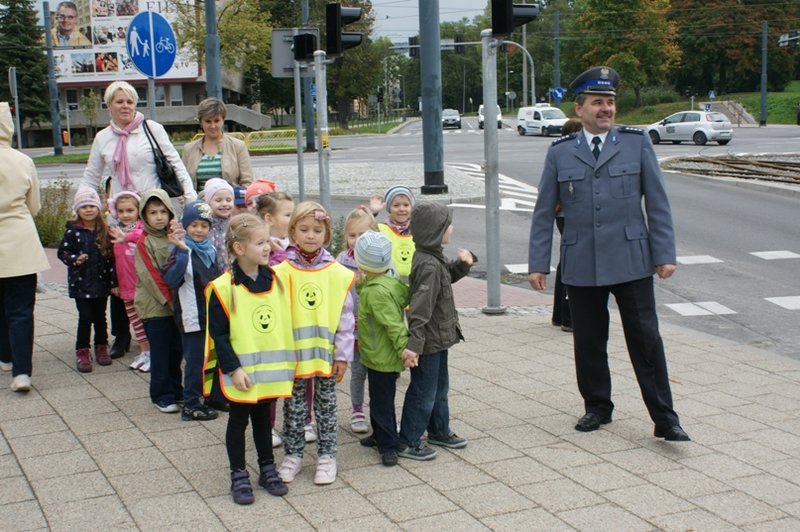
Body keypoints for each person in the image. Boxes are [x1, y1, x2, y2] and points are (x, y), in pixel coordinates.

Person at [527, 66, 690, 442]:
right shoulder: (560, 153)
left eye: (610, 102)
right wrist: (539, 263)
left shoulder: (636, 143)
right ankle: (597, 406)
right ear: (579, 108)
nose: (606, 109)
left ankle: (665, 418)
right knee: (588, 341)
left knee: (647, 340)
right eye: (598, 102)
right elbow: (542, 210)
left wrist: (664, 254)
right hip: (582, 260)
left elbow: (659, 204)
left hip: (632, 260)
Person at [205, 214, 293, 504]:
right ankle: (238, 474)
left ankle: (267, 469)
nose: (268, 247)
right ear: (239, 249)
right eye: (260, 242)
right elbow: (219, 335)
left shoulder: (277, 279)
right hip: (241, 374)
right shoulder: (223, 287)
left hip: (268, 373)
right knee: (238, 423)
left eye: (268, 241)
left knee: (264, 423)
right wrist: (233, 369)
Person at [274, 202, 355, 486]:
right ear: (293, 232)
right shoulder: (280, 272)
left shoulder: (337, 273)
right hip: (293, 356)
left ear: (327, 234)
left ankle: (327, 455)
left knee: (327, 406)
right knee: (294, 407)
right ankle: (293, 454)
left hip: (326, 355)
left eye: (317, 230)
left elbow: (346, 319)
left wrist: (343, 356)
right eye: (304, 229)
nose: (310, 235)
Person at [398, 202, 476, 460]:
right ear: (434, 231)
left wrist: (463, 265)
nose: (451, 228)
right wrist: (415, 343)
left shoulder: (432, 257)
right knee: (424, 391)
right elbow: (419, 309)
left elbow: (445, 278)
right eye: (447, 225)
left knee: (439, 388)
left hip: (438, 339)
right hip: (428, 341)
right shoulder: (428, 264)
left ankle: (439, 430)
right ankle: (409, 440)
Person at [80, 81, 196, 208]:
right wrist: (81, 204)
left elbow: (176, 163)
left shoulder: (153, 129)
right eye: (119, 102)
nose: (125, 106)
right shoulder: (102, 137)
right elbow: (91, 177)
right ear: (109, 105)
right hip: (123, 210)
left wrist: (190, 196)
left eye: (130, 102)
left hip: (153, 208)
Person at [0, 102, 50, 393]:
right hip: (19, 240)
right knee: (20, 309)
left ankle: (5, 355)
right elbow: (34, 206)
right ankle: (22, 372)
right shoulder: (22, 161)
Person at [354, 231, 410, 467]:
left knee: (382, 401)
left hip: (382, 357)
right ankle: (379, 435)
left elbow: (393, 324)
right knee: (378, 397)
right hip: (377, 354)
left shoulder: (377, 292)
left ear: (361, 262)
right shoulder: (382, 282)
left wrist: (404, 349)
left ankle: (388, 445)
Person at [162, 201, 221, 422]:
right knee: (195, 361)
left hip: (211, 315)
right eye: (193, 225)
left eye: (203, 225)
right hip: (192, 316)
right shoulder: (180, 250)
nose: (198, 230)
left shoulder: (210, 249)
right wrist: (182, 251)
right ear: (186, 226)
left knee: (212, 358)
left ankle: (211, 396)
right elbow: (170, 278)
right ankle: (191, 403)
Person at [57, 189, 117, 373]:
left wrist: (114, 282)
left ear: (99, 208)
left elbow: (112, 258)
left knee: (100, 317)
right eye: (84, 207)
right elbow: (63, 253)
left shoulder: (104, 230)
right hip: (81, 283)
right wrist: (75, 258)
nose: (89, 210)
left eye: (92, 206)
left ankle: (101, 346)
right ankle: (82, 350)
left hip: (101, 282)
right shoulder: (73, 231)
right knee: (85, 317)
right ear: (78, 210)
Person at [135, 189, 183, 413]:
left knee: (176, 350)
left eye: (163, 211)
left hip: (176, 306)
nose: (159, 217)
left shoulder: (172, 236)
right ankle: (161, 394)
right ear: (144, 216)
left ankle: (175, 389)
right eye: (153, 212)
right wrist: (169, 301)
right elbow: (151, 277)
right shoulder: (144, 242)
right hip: (155, 307)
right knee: (161, 352)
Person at [335, 207, 379, 434]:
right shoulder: (341, 262)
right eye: (352, 236)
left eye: (362, 235)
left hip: (375, 327)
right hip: (352, 328)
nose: (357, 241)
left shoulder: (380, 260)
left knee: (379, 373)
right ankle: (357, 410)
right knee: (359, 372)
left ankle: (379, 411)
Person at [107, 191, 151, 370]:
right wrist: (114, 283)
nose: (125, 215)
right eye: (121, 211)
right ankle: (145, 351)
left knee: (148, 320)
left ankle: (155, 352)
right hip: (125, 285)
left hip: (143, 286)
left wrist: (125, 237)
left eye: (130, 210)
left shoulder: (143, 228)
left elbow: (140, 236)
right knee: (135, 321)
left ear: (138, 211)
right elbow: (112, 259)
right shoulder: (115, 231)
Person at [550, 118, 583, 334]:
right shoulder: (568, 154)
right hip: (569, 214)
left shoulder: (560, 153)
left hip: (564, 214)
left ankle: (560, 315)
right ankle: (569, 318)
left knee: (567, 261)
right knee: (575, 261)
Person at [181, 98, 254, 192]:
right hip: (199, 204)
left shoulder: (238, 146)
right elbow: (183, 185)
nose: (212, 126)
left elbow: (248, 182)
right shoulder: (189, 149)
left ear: (223, 120)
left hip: (231, 204)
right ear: (201, 122)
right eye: (208, 121)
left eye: (216, 121)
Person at [373, 186, 416, 284]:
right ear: (389, 208)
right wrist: (373, 212)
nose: (401, 209)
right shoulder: (380, 229)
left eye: (406, 205)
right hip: (388, 286)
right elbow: (362, 229)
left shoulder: (418, 230)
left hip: (414, 287)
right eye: (396, 205)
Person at [202, 178, 235, 271]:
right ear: (208, 202)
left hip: (234, 273)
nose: (224, 204)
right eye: (218, 200)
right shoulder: (205, 225)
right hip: (212, 274)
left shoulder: (235, 224)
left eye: (228, 200)